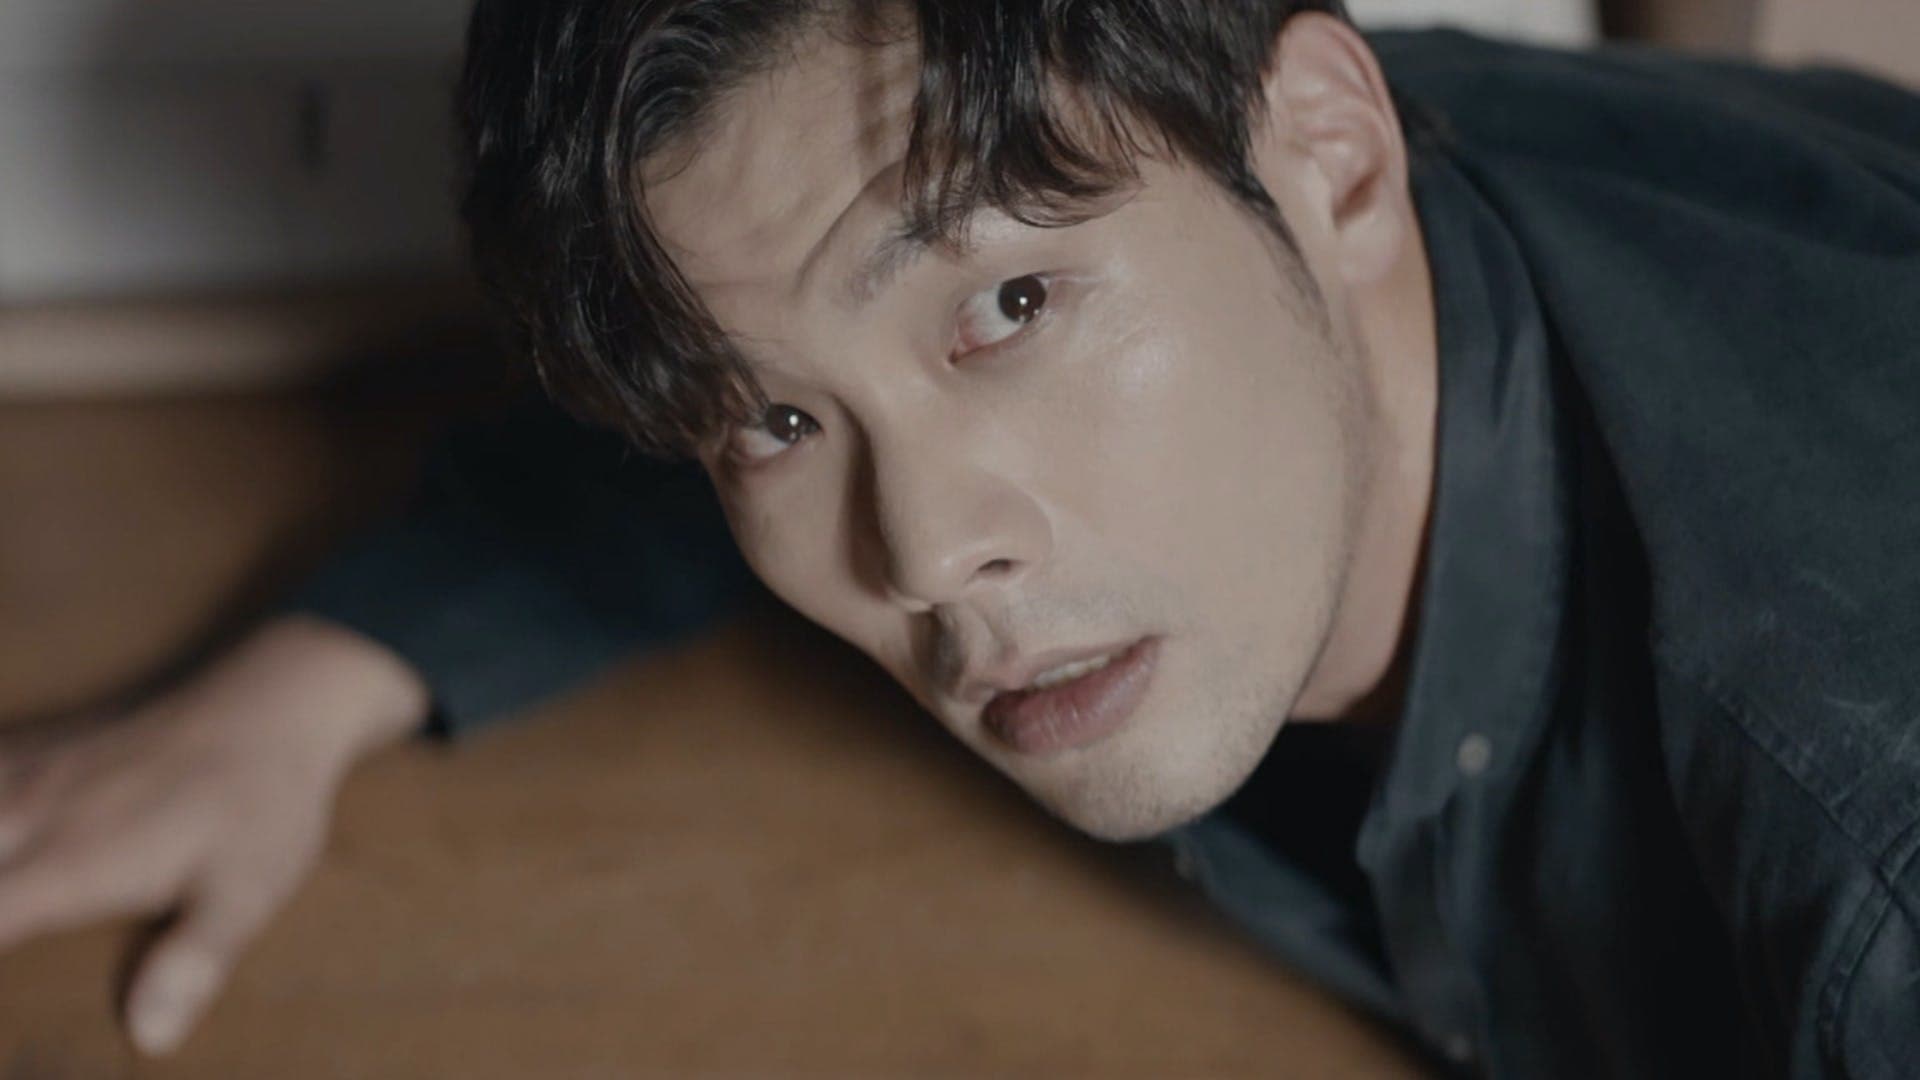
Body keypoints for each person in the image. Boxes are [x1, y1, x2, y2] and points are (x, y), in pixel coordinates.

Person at [1, 2, 1916, 1074]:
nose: (919, 552)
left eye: (1008, 309)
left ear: (1332, 161)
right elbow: (694, 382)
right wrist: (312, 680)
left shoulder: (1862, 862)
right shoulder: (1215, 141)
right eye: (778, 422)